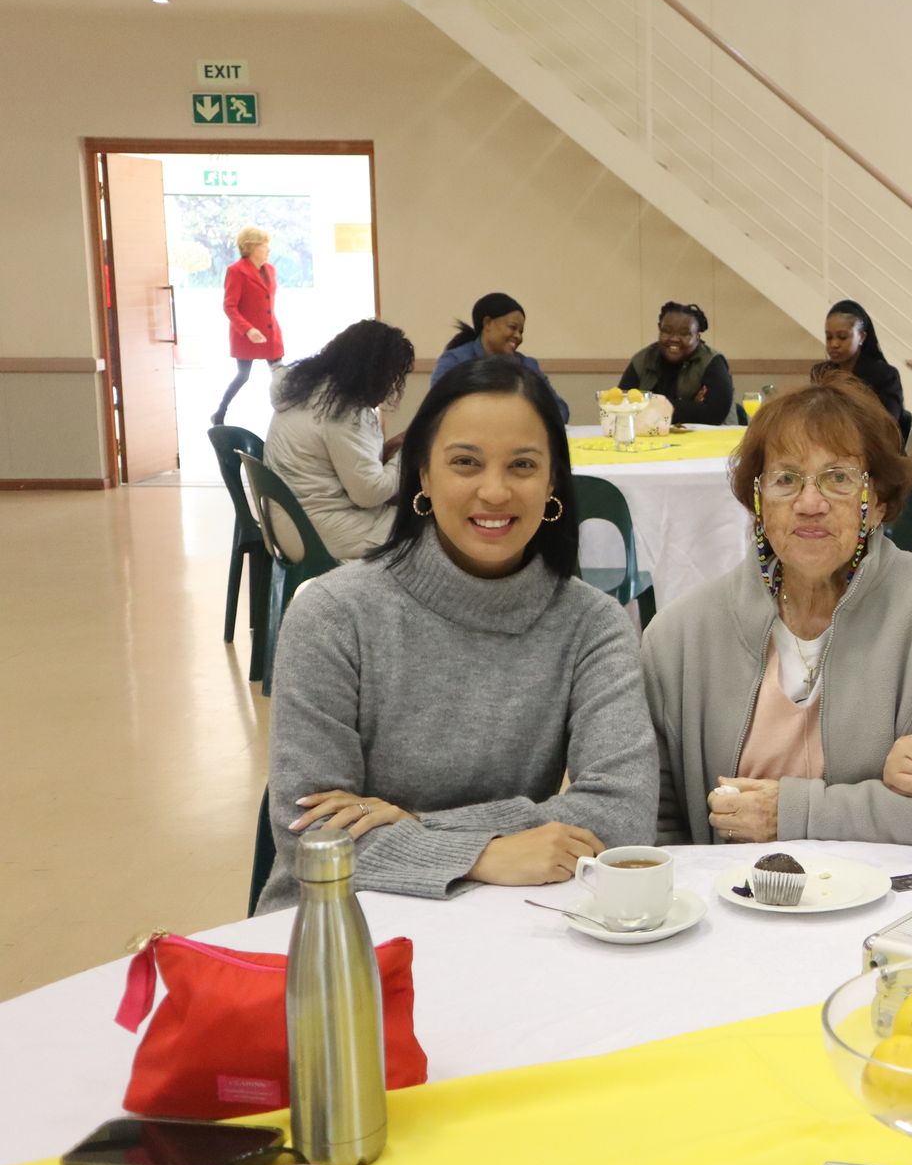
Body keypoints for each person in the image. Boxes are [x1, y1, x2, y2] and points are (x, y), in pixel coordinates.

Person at [256, 357, 658, 912]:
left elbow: (622, 813)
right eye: (465, 462)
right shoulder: (332, 614)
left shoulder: (593, 625)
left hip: (514, 924)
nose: (494, 492)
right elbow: (312, 835)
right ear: (422, 474)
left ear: (552, 483)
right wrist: (481, 854)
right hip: (341, 925)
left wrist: (415, 826)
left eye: (522, 465)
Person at [640, 370, 912, 847]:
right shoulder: (680, 637)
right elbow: (649, 824)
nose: (809, 503)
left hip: (888, 910)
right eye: (785, 479)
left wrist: (796, 813)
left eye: (839, 479)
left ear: (880, 502)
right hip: (729, 910)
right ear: (758, 501)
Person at [264, 319, 414, 561]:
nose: (390, 386)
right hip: (320, 531)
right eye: (391, 376)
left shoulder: (307, 390)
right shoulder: (342, 411)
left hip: (292, 521)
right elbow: (370, 493)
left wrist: (390, 451)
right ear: (374, 372)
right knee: (426, 528)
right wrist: (407, 453)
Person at [431, 292, 570, 423]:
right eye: (512, 327)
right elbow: (438, 409)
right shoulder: (455, 361)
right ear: (488, 323)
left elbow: (560, 409)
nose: (518, 336)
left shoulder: (527, 365)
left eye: (521, 331)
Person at [211, 225, 284, 426]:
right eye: (264, 245)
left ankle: (287, 415)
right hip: (247, 334)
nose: (268, 250)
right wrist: (248, 329)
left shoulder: (270, 269)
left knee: (280, 375)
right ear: (250, 247)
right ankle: (220, 413)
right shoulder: (236, 271)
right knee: (243, 376)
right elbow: (229, 306)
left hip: (270, 333)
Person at [619, 301, 734, 426]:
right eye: (667, 331)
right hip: (653, 438)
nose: (674, 339)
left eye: (684, 333)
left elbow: (715, 414)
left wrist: (649, 405)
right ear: (659, 328)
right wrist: (691, 407)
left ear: (697, 337)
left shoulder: (712, 361)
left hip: (713, 439)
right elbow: (621, 406)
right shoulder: (643, 359)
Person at [823, 299, 906, 436]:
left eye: (842, 337)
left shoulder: (885, 375)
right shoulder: (822, 372)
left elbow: (889, 424)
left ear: (861, 337)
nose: (834, 344)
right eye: (829, 337)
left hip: (873, 446)